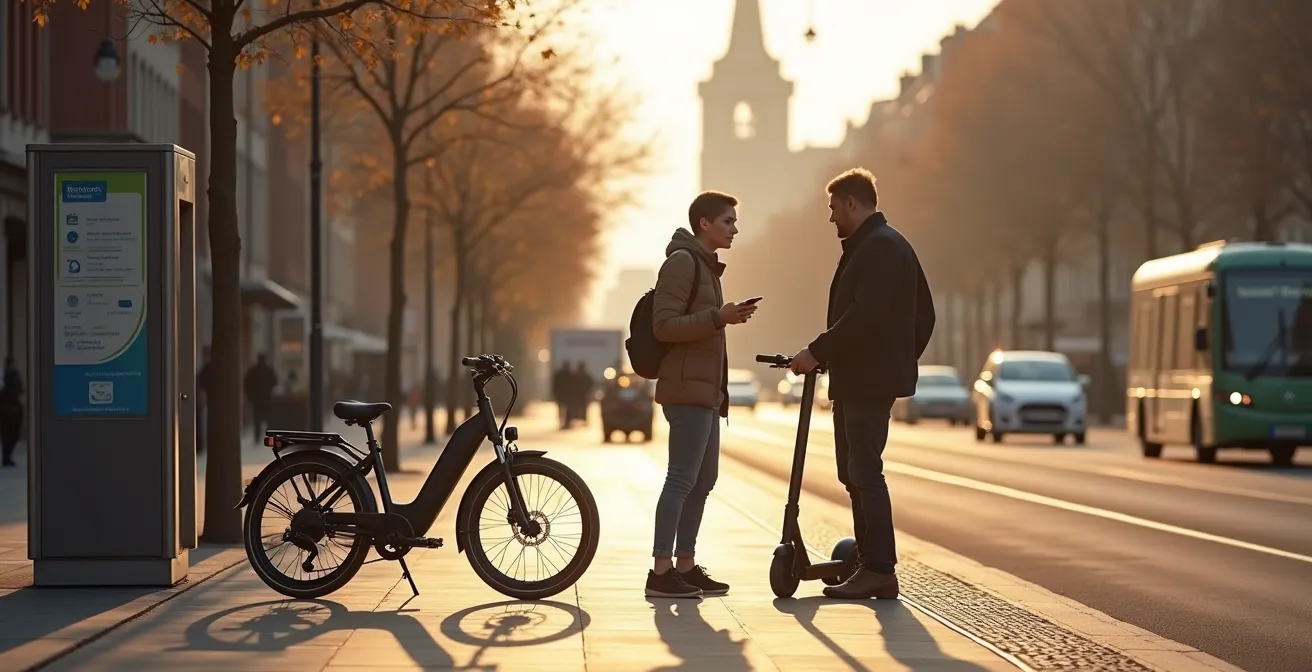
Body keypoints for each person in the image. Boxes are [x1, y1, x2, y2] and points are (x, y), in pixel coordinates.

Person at [788, 168, 935, 600]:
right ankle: (867, 560)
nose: (831, 218)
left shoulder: (882, 247)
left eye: (834, 208)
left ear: (852, 203)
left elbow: (864, 313)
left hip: (867, 380)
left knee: (865, 471)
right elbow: (923, 317)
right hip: (860, 377)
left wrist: (819, 351)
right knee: (851, 471)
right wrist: (897, 357)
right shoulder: (874, 245)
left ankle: (879, 569)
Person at [646, 190, 757, 598]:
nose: (734, 228)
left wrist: (724, 317)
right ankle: (660, 571)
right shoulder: (682, 262)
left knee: (703, 479)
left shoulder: (707, 267)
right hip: (686, 390)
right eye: (727, 221)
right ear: (704, 224)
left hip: (707, 392)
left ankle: (686, 565)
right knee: (681, 479)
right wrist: (718, 317)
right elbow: (664, 326)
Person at [244, 353, 278, 443]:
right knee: (269, 418)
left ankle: (257, 437)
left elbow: (247, 384)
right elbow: (274, 382)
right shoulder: (268, 370)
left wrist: (249, 396)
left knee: (257, 419)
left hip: (256, 399)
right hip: (266, 397)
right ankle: (270, 437)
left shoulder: (253, 371)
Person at [0, 358, 23, 467]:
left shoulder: (11, 375)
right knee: (10, 435)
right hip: (10, 411)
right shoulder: (11, 376)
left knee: (10, 436)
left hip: (10, 410)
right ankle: (7, 458)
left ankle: (7, 457)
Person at [196, 345, 211, 454]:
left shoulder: (206, 369)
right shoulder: (206, 369)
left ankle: (201, 445)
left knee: (204, 423)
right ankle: (201, 445)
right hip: (207, 400)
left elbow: (200, 384)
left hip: (207, 400)